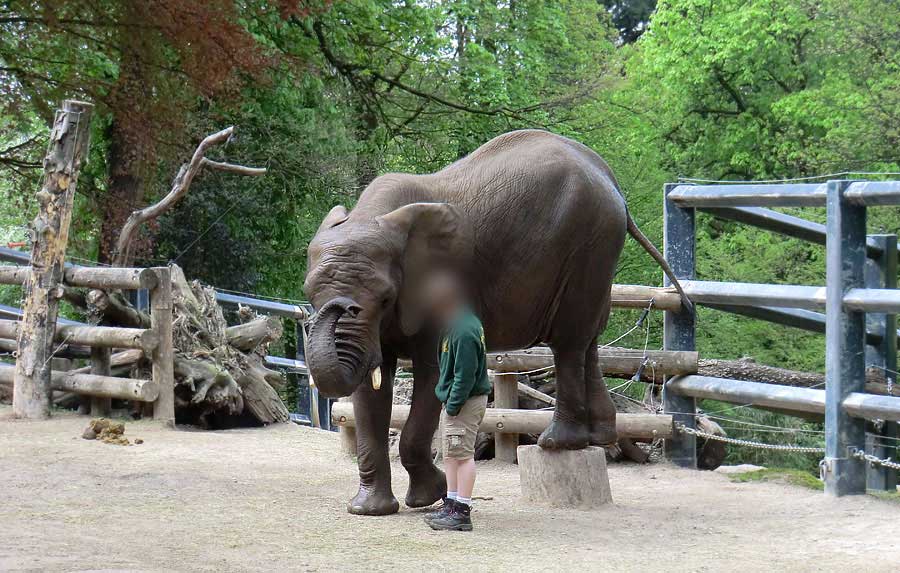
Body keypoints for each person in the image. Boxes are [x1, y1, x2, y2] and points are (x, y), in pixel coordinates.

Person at [422, 272, 491, 532]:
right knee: (452, 454)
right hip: (457, 401)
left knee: (462, 456)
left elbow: (465, 373)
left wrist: (452, 405)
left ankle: (461, 511)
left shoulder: (463, 331)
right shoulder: (458, 324)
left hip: (463, 402)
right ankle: (451, 503)